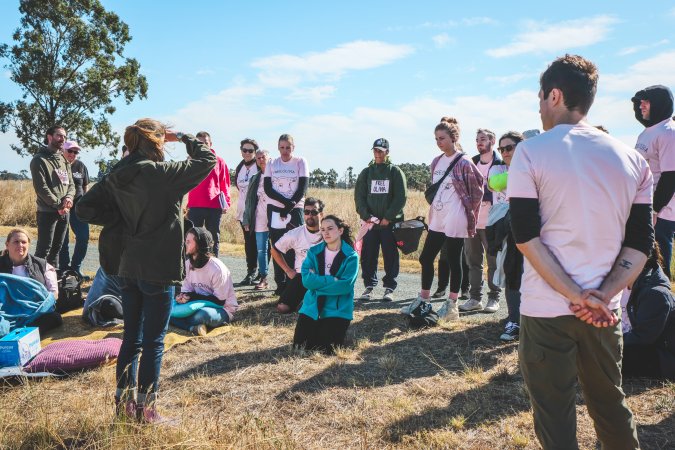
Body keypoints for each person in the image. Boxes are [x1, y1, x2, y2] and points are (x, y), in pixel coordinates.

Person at [509, 54, 653, 449]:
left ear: (554, 95)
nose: (539, 108)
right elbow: (640, 243)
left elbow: (525, 235)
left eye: (540, 98)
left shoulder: (531, 152)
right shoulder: (633, 159)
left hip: (546, 308)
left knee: (554, 416)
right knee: (611, 406)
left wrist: (576, 296)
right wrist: (601, 296)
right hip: (606, 312)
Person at [76, 118, 216, 423]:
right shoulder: (162, 173)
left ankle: (123, 407)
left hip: (126, 266)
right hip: (159, 270)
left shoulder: (118, 173)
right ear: (157, 141)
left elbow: (83, 208)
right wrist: (180, 135)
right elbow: (208, 159)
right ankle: (147, 412)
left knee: (131, 340)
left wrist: (120, 220)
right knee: (153, 342)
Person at [400, 117, 483, 320]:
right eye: (436, 138)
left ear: (453, 138)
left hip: (455, 216)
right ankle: (424, 300)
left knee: (454, 259)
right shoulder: (436, 162)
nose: (439, 142)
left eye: (442, 138)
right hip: (438, 215)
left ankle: (451, 304)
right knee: (426, 257)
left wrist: (468, 211)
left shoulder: (464, 162)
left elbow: (478, 188)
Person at [293, 215, 358, 354]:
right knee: (300, 347)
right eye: (323, 230)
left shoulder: (351, 256)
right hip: (312, 306)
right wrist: (331, 280)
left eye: (330, 228)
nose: (326, 233)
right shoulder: (313, 252)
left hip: (338, 308)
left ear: (340, 231)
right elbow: (306, 281)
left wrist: (318, 283)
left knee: (326, 350)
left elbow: (345, 286)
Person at [354, 138, 407, 302]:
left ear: (387, 152)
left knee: (390, 255)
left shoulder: (395, 172)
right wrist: (367, 216)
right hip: (371, 224)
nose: (377, 153)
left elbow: (401, 197)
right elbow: (359, 197)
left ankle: (389, 287)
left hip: (388, 224)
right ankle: (369, 287)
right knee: (368, 255)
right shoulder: (366, 172)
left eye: (381, 151)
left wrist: (387, 217)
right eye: (375, 150)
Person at [632, 85, 675, 278]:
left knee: (660, 260)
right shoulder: (648, 132)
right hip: (648, 206)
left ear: (658, 104)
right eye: (640, 101)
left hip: (663, 211)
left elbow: (671, 176)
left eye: (646, 101)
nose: (641, 105)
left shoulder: (668, 132)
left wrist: (656, 208)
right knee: (647, 258)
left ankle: (664, 304)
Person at [486, 131, 525, 341]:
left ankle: (526, 320)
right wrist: (523, 171)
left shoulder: (534, 166)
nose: (504, 152)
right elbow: (495, 184)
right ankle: (513, 320)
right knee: (511, 273)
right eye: (501, 149)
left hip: (532, 229)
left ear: (522, 147)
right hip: (508, 230)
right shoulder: (499, 168)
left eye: (509, 147)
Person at [460, 128, 503, 313]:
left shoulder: (501, 165)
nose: (479, 142)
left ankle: (494, 298)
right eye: (477, 139)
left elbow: (500, 190)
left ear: (492, 141)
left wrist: (481, 192)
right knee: (473, 262)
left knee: (493, 262)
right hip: (472, 222)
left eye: (483, 139)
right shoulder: (472, 163)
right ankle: (474, 298)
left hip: (492, 222)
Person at [621, 241, 675, 380]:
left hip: (662, 359)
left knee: (602, 356)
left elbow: (642, 338)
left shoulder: (656, 294)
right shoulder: (621, 286)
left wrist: (609, 343)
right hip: (638, 346)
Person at [170, 227, 238, 336]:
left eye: (188, 241)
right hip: (195, 305)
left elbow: (220, 301)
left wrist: (192, 297)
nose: (185, 244)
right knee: (165, 309)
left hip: (223, 309)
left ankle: (186, 324)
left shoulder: (217, 268)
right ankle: (192, 327)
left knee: (201, 315)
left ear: (199, 244)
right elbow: (188, 291)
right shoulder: (188, 264)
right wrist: (182, 297)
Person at [264, 134, 309, 295]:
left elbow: (303, 187)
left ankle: (294, 282)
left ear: (293, 148)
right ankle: (280, 284)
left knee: (294, 245)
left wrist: (290, 205)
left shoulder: (300, 162)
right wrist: (284, 203)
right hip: (275, 209)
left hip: (295, 208)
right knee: (277, 245)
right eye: (282, 147)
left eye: (288, 147)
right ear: (278, 147)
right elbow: (268, 188)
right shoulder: (271, 163)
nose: (285, 151)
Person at [0, 228, 62, 334]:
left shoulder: (42, 265)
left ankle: (22, 332)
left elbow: (54, 293)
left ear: (28, 244)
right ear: (7, 244)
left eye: (24, 242)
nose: (20, 245)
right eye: (16, 242)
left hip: (34, 313)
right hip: (6, 312)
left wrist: (40, 307)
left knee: (54, 318)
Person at [30, 125, 75, 269]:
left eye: (64, 136)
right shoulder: (39, 160)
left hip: (64, 212)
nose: (63, 139)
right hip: (47, 212)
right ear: (49, 137)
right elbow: (41, 188)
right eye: (59, 135)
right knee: (44, 250)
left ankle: (52, 285)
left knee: (56, 250)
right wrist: (58, 205)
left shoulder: (63, 160)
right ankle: (36, 283)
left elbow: (71, 184)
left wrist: (69, 198)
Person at [272, 198, 325, 313]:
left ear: (321, 214)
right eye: (306, 212)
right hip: (303, 276)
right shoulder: (295, 233)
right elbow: (275, 250)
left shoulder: (329, 233)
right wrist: (288, 271)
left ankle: (309, 301)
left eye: (314, 212)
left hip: (323, 277)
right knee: (282, 308)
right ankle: (304, 301)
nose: (310, 215)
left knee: (318, 308)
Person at [186, 131, 231, 257]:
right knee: (193, 236)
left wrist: (226, 202)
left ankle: (214, 262)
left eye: (206, 143)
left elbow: (225, 183)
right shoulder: (192, 160)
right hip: (195, 204)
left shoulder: (219, 161)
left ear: (210, 144)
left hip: (214, 205)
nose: (203, 145)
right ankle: (191, 263)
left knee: (213, 237)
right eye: (200, 143)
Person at [58, 141, 90, 279]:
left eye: (75, 152)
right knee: (63, 240)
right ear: (63, 150)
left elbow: (84, 186)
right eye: (70, 151)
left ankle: (76, 267)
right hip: (61, 208)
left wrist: (85, 204)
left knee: (83, 237)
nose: (72, 154)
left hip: (78, 208)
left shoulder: (81, 166)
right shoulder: (57, 164)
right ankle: (64, 268)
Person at [242, 149, 271, 290]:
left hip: (277, 216)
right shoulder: (255, 177)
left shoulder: (276, 174)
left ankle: (286, 280)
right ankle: (263, 278)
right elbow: (248, 200)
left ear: (269, 158)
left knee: (282, 248)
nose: (260, 160)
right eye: (258, 158)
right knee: (261, 249)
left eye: (263, 157)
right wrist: (246, 219)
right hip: (259, 217)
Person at [234, 138, 261, 285]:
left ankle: (261, 274)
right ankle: (250, 272)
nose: (247, 153)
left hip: (256, 211)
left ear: (255, 152)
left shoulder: (258, 166)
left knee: (260, 243)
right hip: (242, 211)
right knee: (249, 243)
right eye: (245, 150)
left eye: (251, 150)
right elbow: (240, 188)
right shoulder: (240, 167)